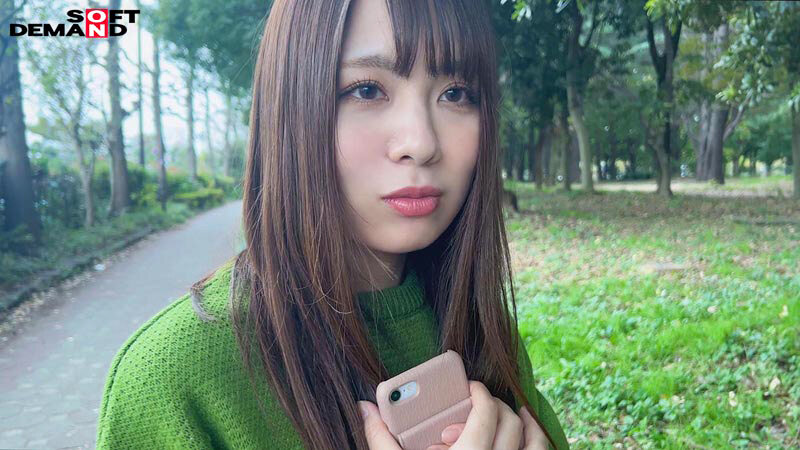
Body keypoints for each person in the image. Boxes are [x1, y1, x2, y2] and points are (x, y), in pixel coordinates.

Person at [95, 0, 570, 449]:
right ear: (290, 108)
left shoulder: (479, 323)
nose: (421, 143)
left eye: (456, 93)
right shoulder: (172, 381)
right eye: (367, 90)